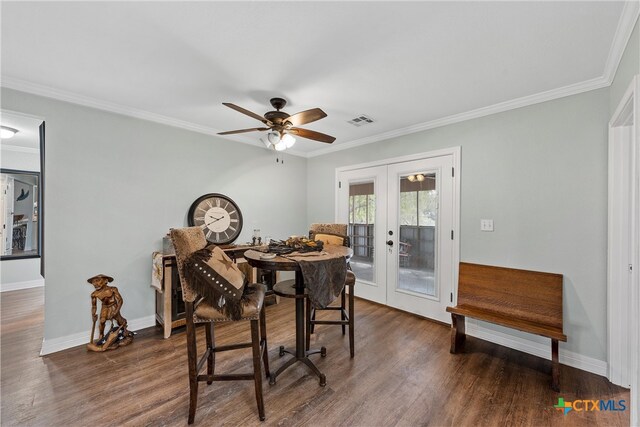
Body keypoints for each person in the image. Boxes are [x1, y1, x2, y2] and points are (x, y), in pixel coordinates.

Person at [87, 274, 130, 347]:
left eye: (97, 281)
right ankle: (101, 335)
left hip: (113, 305)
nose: (95, 284)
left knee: (119, 320)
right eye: (93, 282)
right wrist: (93, 314)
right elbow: (94, 306)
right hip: (105, 307)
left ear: (106, 281)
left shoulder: (113, 289)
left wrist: (116, 311)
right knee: (102, 321)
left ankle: (125, 329)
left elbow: (120, 300)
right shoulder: (94, 294)